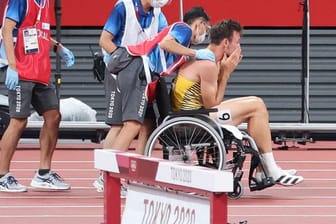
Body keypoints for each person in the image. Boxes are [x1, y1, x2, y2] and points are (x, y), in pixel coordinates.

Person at [171, 19, 304, 186]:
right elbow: (211, 104)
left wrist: (223, 71)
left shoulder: (209, 59)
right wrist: (225, 74)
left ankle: (264, 170)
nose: (239, 47)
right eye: (237, 42)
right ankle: (270, 168)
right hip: (196, 119)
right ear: (226, 43)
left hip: (195, 114)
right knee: (256, 106)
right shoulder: (207, 64)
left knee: (256, 103)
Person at [104, 6, 213, 153]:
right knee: (132, 125)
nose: (205, 35)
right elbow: (165, 44)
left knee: (147, 125)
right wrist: (195, 53)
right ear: (200, 23)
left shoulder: (183, 46)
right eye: (206, 29)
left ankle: (137, 171)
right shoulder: (184, 29)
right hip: (138, 68)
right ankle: (111, 173)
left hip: (143, 75)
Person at [94, 0, 171, 193]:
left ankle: (117, 176)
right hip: (119, 72)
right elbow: (104, 40)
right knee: (123, 125)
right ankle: (109, 176)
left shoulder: (158, 14)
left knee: (144, 123)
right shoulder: (124, 8)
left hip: (143, 75)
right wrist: (125, 61)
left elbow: (166, 40)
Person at [0, 0, 75, 192]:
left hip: (40, 72)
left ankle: (43, 173)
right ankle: (2, 175)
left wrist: (58, 47)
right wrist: (12, 66)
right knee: (18, 121)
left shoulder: (46, 3)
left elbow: (39, 33)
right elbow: (7, 30)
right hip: (21, 71)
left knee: (54, 117)